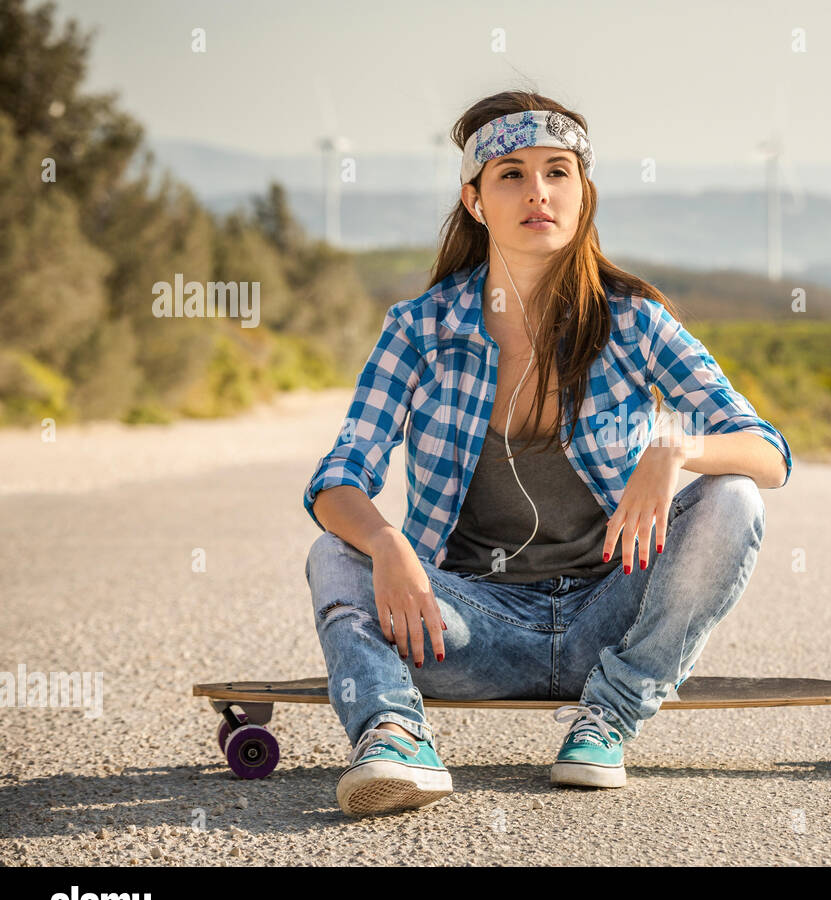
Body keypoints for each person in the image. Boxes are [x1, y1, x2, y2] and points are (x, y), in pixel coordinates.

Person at [302, 91, 793, 817]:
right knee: (334, 554)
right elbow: (336, 478)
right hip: (468, 627)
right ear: (474, 200)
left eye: (558, 172)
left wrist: (676, 447)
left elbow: (769, 454)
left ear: (582, 191)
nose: (539, 191)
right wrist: (384, 542)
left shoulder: (633, 321)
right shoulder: (419, 329)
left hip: (613, 619)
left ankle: (609, 719)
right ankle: (395, 737)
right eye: (511, 174)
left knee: (733, 497)